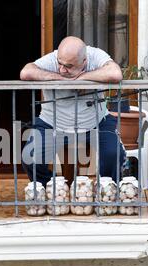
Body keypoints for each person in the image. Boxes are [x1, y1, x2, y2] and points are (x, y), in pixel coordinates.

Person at [20, 36, 126, 186]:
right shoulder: (52, 59)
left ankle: (107, 190)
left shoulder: (94, 55)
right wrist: (60, 79)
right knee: (29, 157)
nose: (62, 69)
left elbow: (115, 74)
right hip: (52, 124)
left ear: (84, 61)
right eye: (60, 63)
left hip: (96, 123)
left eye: (69, 66)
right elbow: (26, 73)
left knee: (113, 154)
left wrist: (82, 78)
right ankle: (50, 189)